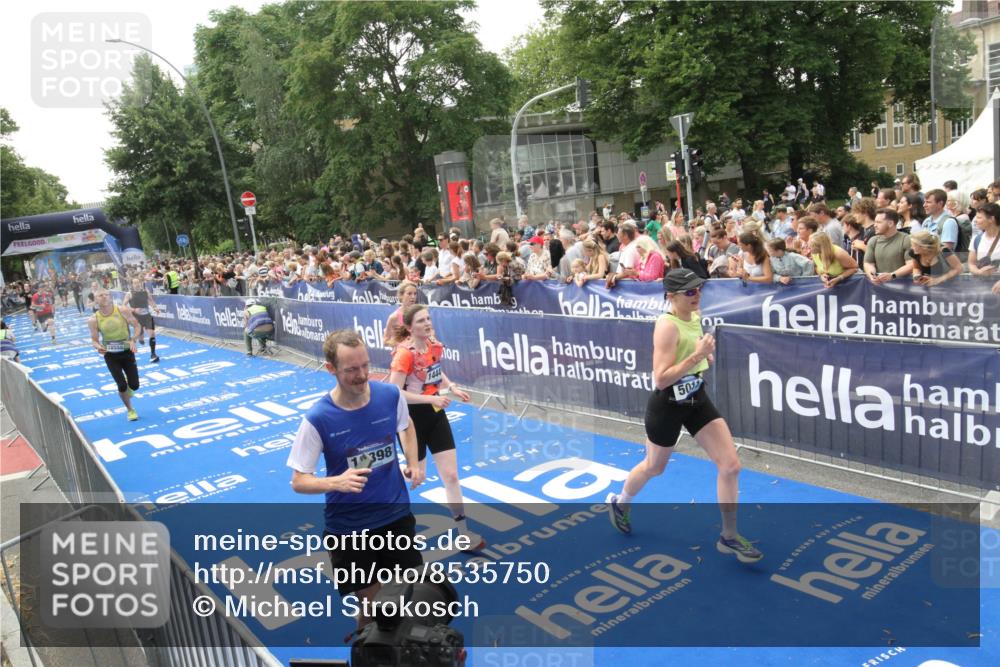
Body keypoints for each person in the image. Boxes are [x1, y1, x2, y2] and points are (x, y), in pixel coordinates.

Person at [606, 268, 762, 563]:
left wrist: (705, 357)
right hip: (667, 404)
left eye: (699, 289)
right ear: (671, 296)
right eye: (689, 292)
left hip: (696, 399)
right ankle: (621, 503)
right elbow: (661, 379)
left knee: (730, 465)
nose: (697, 295)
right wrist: (697, 356)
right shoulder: (667, 325)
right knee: (654, 467)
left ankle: (728, 536)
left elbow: (694, 353)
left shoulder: (695, 316)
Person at [287, 329, 424, 637]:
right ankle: (369, 647)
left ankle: (363, 639)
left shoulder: (389, 395)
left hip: (396, 517)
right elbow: (299, 481)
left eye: (365, 365)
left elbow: (407, 426)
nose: (362, 375)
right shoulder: (318, 418)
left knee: (407, 599)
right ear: (331, 369)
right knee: (382, 610)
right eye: (351, 369)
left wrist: (413, 462)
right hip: (349, 530)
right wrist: (336, 481)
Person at [389, 304, 484, 551]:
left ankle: (463, 533)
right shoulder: (404, 354)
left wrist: (451, 386)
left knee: (451, 476)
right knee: (416, 476)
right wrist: (432, 398)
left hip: (435, 414)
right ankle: (389, 474)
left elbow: (435, 372)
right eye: (421, 321)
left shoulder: (434, 345)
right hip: (410, 420)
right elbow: (395, 394)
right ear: (410, 328)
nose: (428, 323)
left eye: (429, 318)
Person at [88, 290, 142, 421]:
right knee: (121, 385)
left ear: (111, 297)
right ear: (96, 300)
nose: (104, 297)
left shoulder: (122, 310)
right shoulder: (93, 319)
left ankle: (129, 388)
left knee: (134, 385)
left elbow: (137, 326)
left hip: (127, 352)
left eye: (106, 294)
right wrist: (99, 347)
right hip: (110, 355)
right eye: (100, 295)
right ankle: (130, 410)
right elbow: (94, 340)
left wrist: (133, 339)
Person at [864, 208, 914, 283]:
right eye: (875, 222)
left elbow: (911, 265)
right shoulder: (873, 240)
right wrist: (872, 275)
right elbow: (868, 263)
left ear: (890, 223)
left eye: (878, 222)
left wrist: (892, 275)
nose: (874, 225)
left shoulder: (906, 239)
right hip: (880, 288)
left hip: (903, 288)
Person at [125, 278, 159, 362]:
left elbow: (150, 300)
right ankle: (140, 338)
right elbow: (124, 306)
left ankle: (153, 354)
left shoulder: (145, 291)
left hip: (147, 316)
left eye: (138, 282)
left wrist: (155, 307)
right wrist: (133, 310)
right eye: (135, 283)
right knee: (140, 335)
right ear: (132, 284)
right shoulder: (129, 294)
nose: (137, 284)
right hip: (136, 317)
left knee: (152, 333)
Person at [383, 281, 419, 348]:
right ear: (401, 295)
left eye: (415, 294)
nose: (413, 297)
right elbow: (385, 341)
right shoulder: (394, 317)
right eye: (409, 294)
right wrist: (401, 344)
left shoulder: (419, 314)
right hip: (402, 356)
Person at [968, 202, 1000, 277]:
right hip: (983, 285)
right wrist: (979, 272)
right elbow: (971, 263)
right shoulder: (977, 239)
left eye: (979, 218)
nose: (975, 221)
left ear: (992, 219)